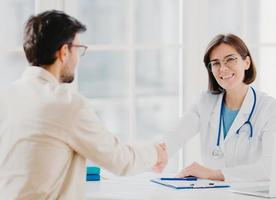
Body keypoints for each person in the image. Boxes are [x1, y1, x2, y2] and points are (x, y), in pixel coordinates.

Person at [0, 10, 167, 199]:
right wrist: (156, 153)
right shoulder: (65, 104)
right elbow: (120, 161)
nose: (78, 58)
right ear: (64, 52)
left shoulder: (6, 97)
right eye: (78, 49)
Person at [165, 34, 276, 182]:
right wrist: (155, 155)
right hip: (213, 194)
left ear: (247, 62)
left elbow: (269, 169)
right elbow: (177, 134)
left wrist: (213, 174)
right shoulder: (205, 102)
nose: (223, 69)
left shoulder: (271, 109)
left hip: (251, 195)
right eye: (216, 63)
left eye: (230, 59)